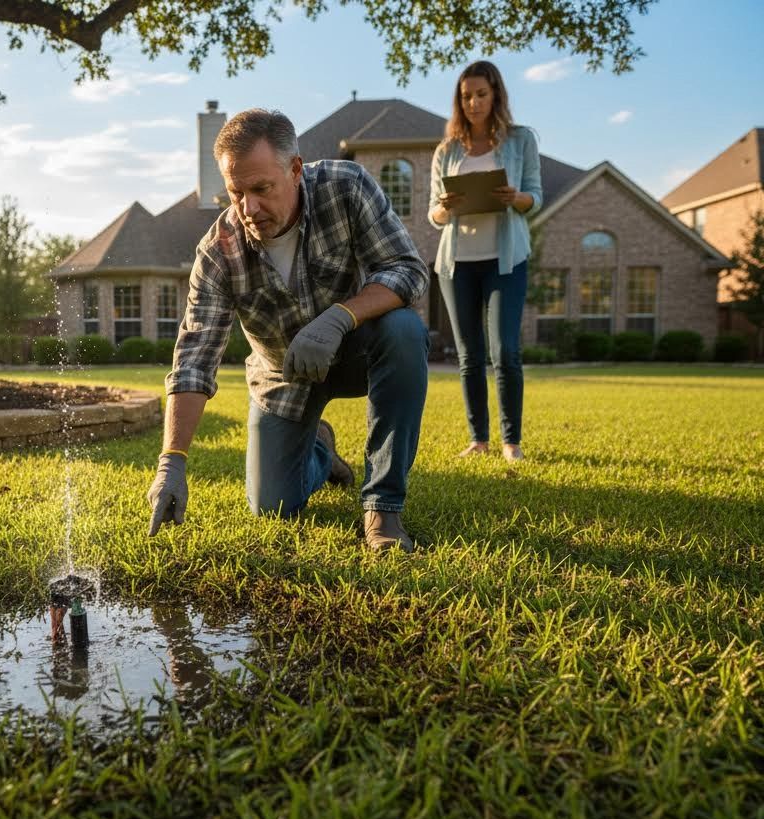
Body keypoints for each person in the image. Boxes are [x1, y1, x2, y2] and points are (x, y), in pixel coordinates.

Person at [147, 108, 430, 552]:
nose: (248, 208)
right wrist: (172, 461)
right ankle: (322, 451)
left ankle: (383, 509)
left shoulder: (347, 187)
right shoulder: (219, 251)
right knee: (273, 506)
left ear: (295, 169)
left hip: (359, 349)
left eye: (261, 189)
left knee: (404, 330)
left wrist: (339, 317)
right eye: (235, 192)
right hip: (283, 376)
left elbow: (408, 270)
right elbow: (195, 357)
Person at [429, 60, 542, 462]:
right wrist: (447, 206)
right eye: (466, 96)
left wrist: (516, 198)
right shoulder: (447, 150)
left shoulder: (520, 140)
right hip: (458, 263)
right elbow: (434, 215)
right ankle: (479, 439)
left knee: (506, 351)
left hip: (505, 260)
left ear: (495, 95)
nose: (473, 103)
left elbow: (535, 196)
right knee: (468, 356)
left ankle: (512, 441)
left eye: (481, 94)